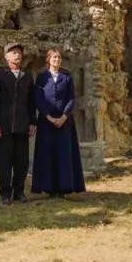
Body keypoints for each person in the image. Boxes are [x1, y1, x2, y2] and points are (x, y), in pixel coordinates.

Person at [31, 48, 86, 197]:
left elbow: (71, 98)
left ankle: (63, 187)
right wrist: (48, 117)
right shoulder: (42, 77)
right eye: (54, 57)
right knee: (47, 154)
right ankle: (49, 188)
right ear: (48, 60)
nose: (57, 60)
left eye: (59, 58)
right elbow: (38, 99)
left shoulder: (66, 77)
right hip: (46, 123)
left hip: (64, 122)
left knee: (63, 154)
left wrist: (63, 117)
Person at [0, 43, 37, 205]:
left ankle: (19, 192)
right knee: (5, 160)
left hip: (23, 125)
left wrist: (32, 122)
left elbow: (31, 101)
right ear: (6, 56)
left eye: (19, 52)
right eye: (14, 52)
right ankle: (5, 193)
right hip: (4, 125)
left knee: (22, 161)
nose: (18, 55)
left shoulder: (27, 76)